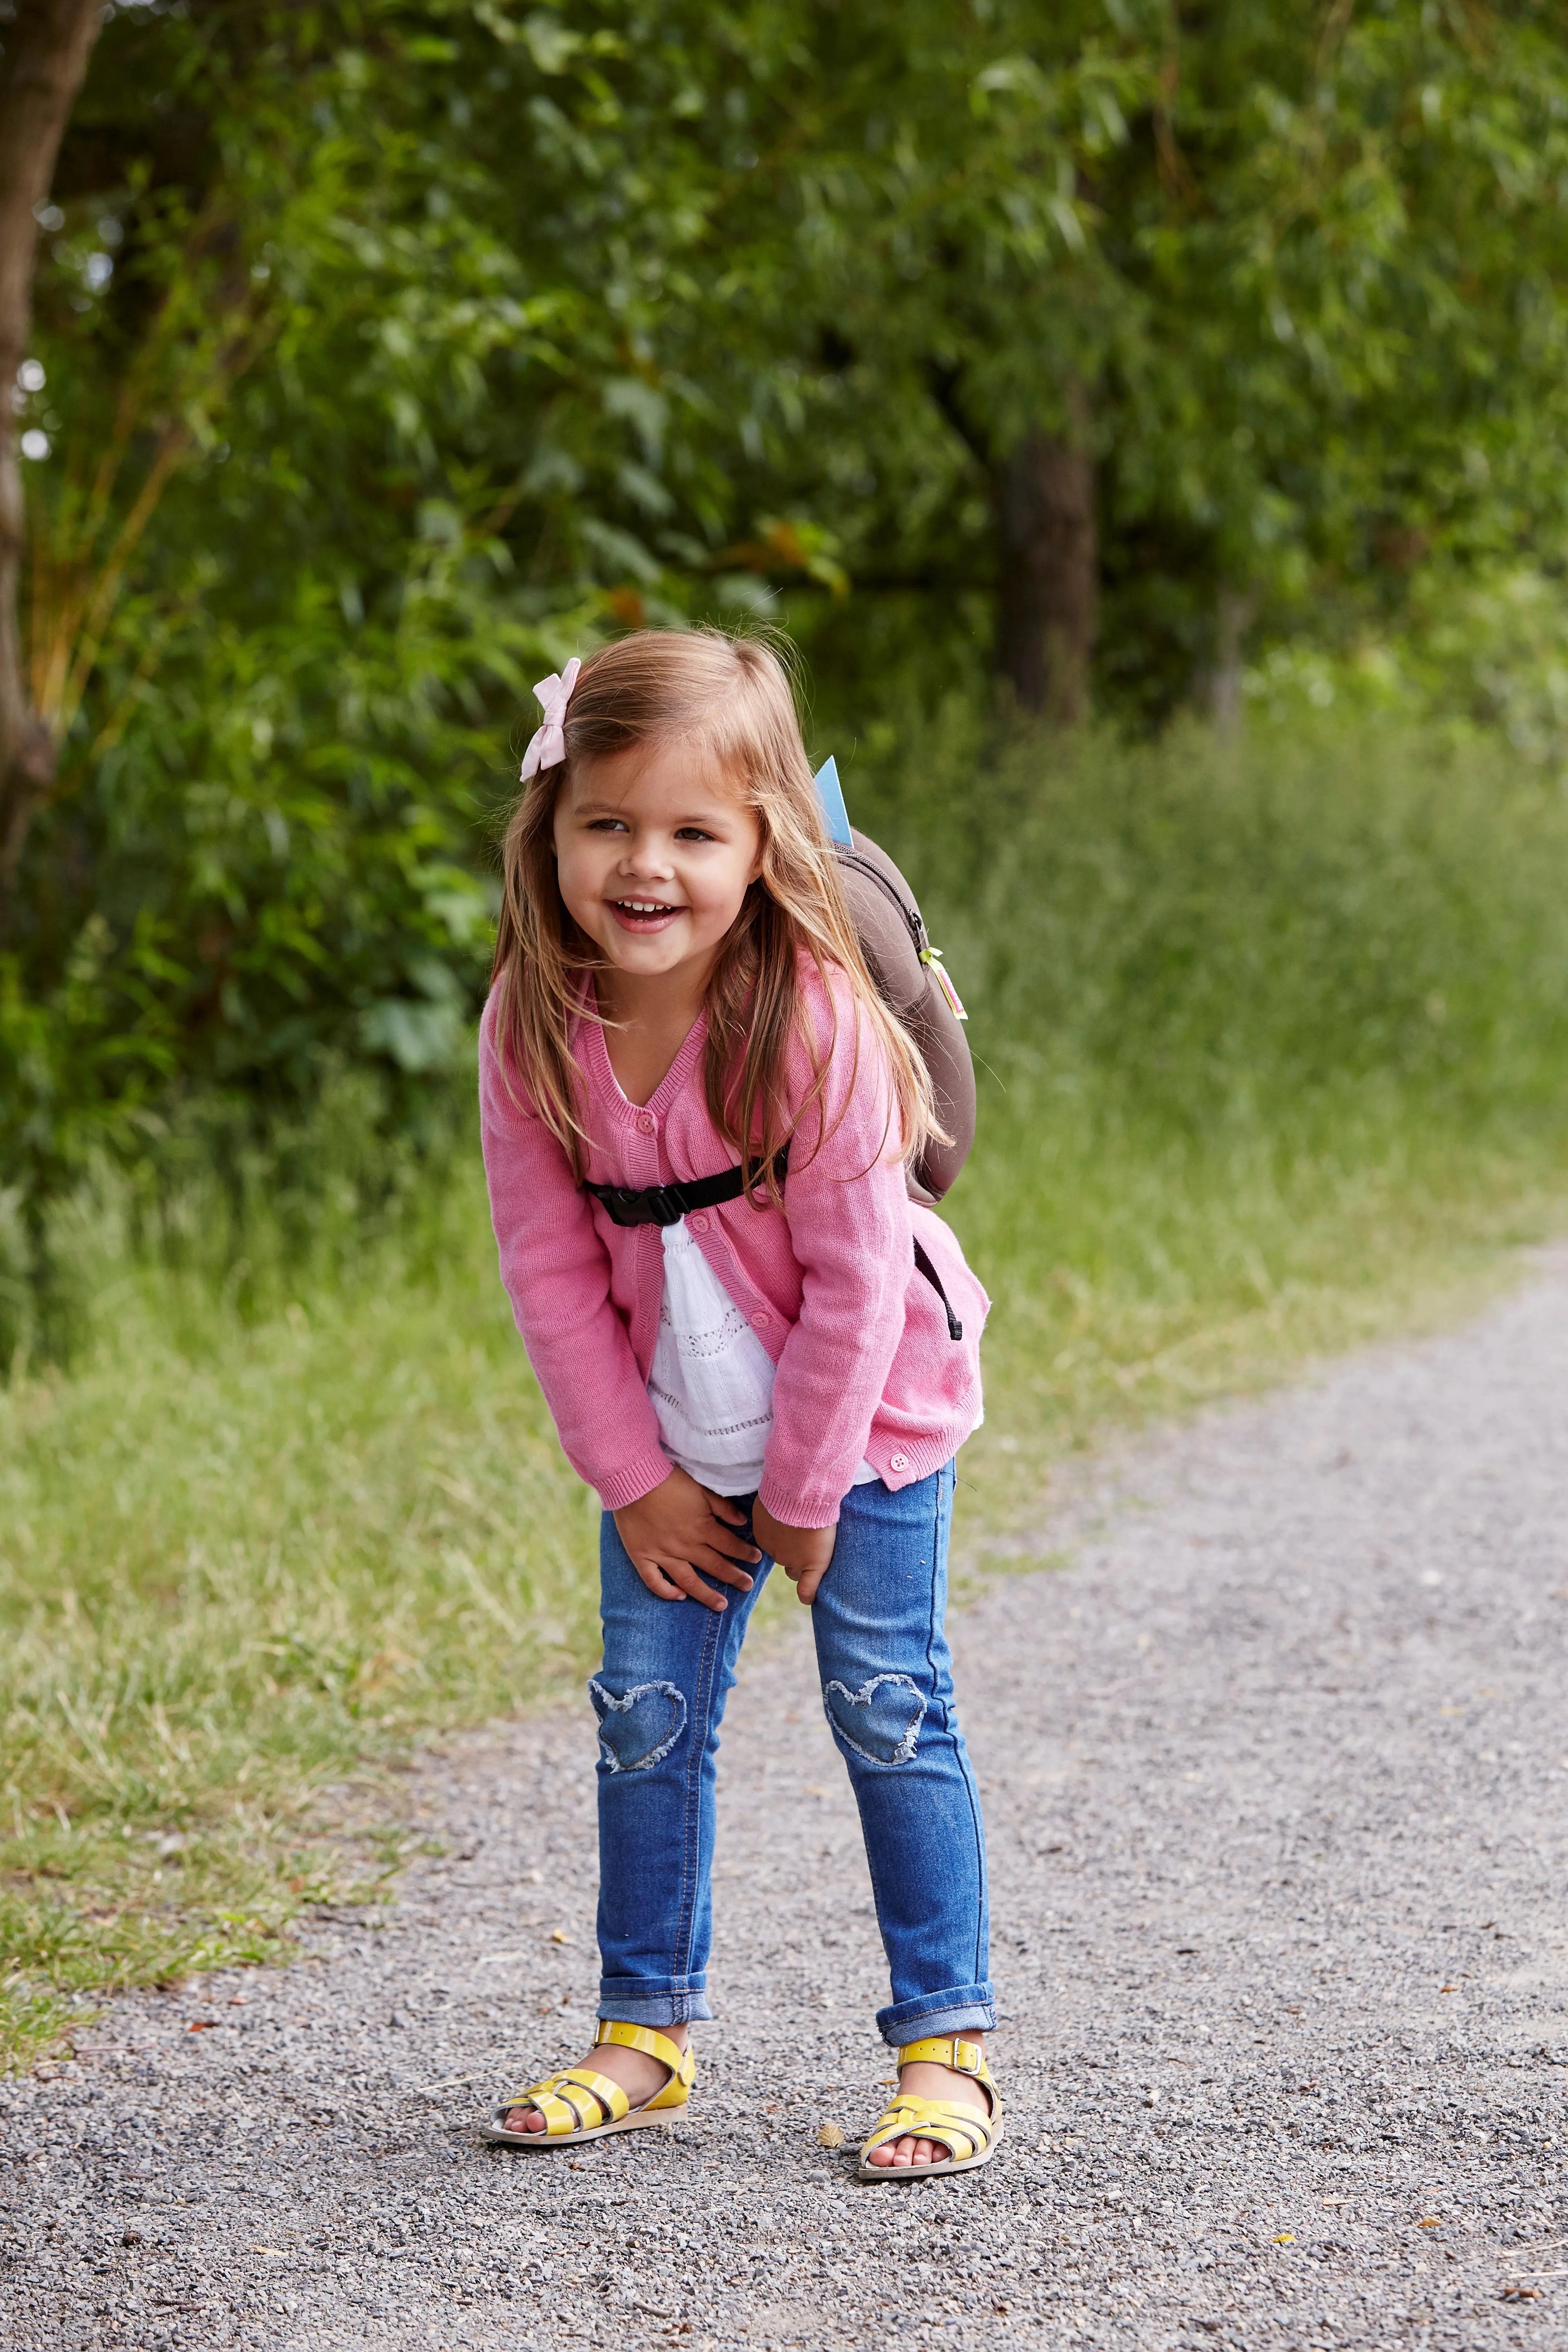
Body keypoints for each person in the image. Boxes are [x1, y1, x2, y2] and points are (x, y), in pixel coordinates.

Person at [476, 628, 1000, 2179]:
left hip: (865, 1429)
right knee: (644, 1725)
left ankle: (945, 2048)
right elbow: (549, 1270)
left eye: (694, 833)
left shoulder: (814, 1018)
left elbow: (854, 1283)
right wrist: (632, 1476)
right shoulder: (529, 1024)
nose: (646, 867)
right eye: (608, 825)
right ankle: (645, 2031)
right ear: (553, 831)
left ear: (764, 842)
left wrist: (806, 1493)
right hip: (669, 1438)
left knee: (888, 1712)